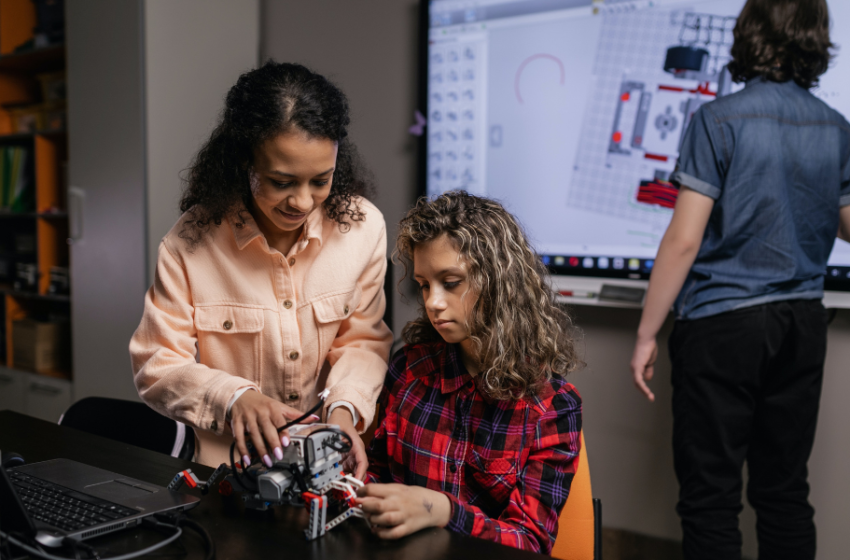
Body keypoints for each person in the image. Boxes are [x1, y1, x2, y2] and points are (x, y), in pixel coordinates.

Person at [629, 1, 850, 558]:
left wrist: (646, 334)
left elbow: (683, 240)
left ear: (748, 34)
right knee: (785, 493)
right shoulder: (836, 128)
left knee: (711, 499)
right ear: (814, 41)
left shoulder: (717, 120)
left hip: (722, 327)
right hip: (801, 326)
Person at [129, 62, 393, 475]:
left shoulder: (364, 229)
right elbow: (157, 364)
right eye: (282, 182)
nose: (303, 202)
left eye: (320, 180)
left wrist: (344, 411)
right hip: (226, 473)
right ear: (243, 163)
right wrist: (233, 399)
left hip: (326, 464)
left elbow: (362, 340)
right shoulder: (189, 245)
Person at [356, 191, 583, 554]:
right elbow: (377, 475)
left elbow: (530, 543)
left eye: (451, 282)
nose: (432, 302)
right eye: (424, 285)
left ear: (497, 280)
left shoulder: (553, 407)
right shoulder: (409, 368)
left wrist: (441, 511)